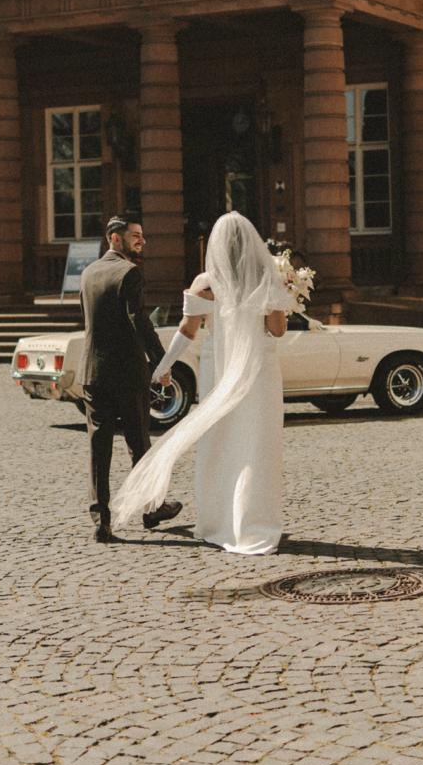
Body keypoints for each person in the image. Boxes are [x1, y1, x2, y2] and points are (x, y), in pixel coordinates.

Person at [113, 213, 290, 555]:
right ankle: (253, 522)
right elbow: (278, 330)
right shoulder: (265, 277)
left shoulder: (204, 282)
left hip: (219, 369)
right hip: (259, 373)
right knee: (256, 447)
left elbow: (187, 331)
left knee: (219, 445)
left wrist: (163, 366)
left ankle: (216, 521)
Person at [78, 215, 182, 543]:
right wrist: (162, 361)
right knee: (139, 444)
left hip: (93, 373)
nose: (142, 241)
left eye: (142, 235)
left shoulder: (88, 272)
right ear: (115, 239)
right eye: (135, 236)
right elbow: (139, 321)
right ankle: (152, 509)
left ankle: (101, 520)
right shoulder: (130, 272)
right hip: (126, 374)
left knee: (100, 446)